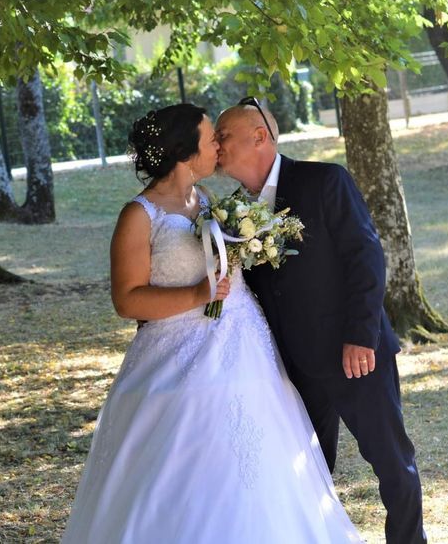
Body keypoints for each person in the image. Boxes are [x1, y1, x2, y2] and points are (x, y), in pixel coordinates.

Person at [62, 104, 361, 543]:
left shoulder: (207, 202)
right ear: (185, 152)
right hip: (176, 357)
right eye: (210, 139)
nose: (218, 146)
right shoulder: (140, 215)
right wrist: (196, 295)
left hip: (246, 350)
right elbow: (127, 299)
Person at [215, 99, 427, 544]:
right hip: (293, 370)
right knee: (306, 475)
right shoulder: (233, 212)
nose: (215, 145)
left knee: (392, 463)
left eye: (223, 136)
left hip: (355, 356)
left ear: (259, 137)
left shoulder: (324, 180)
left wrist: (360, 337)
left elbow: (365, 257)